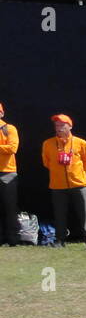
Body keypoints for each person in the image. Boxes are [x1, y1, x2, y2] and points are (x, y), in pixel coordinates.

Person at [42, 114, 86, 250]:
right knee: (59, 214)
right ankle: (60, 240)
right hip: (57, 185)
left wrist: (78, 172)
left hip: (78, 184)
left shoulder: (80, 143)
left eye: (62, 125)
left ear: (70, 126)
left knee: (84, 213)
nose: (59, 128)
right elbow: (46, 162)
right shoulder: (48, 143)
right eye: (57, 126)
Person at [0, 103, 19, 246]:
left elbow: (12, 148)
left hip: (7, 173)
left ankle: (12, 239)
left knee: (9, 207)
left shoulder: (9, 128)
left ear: (2, 113)